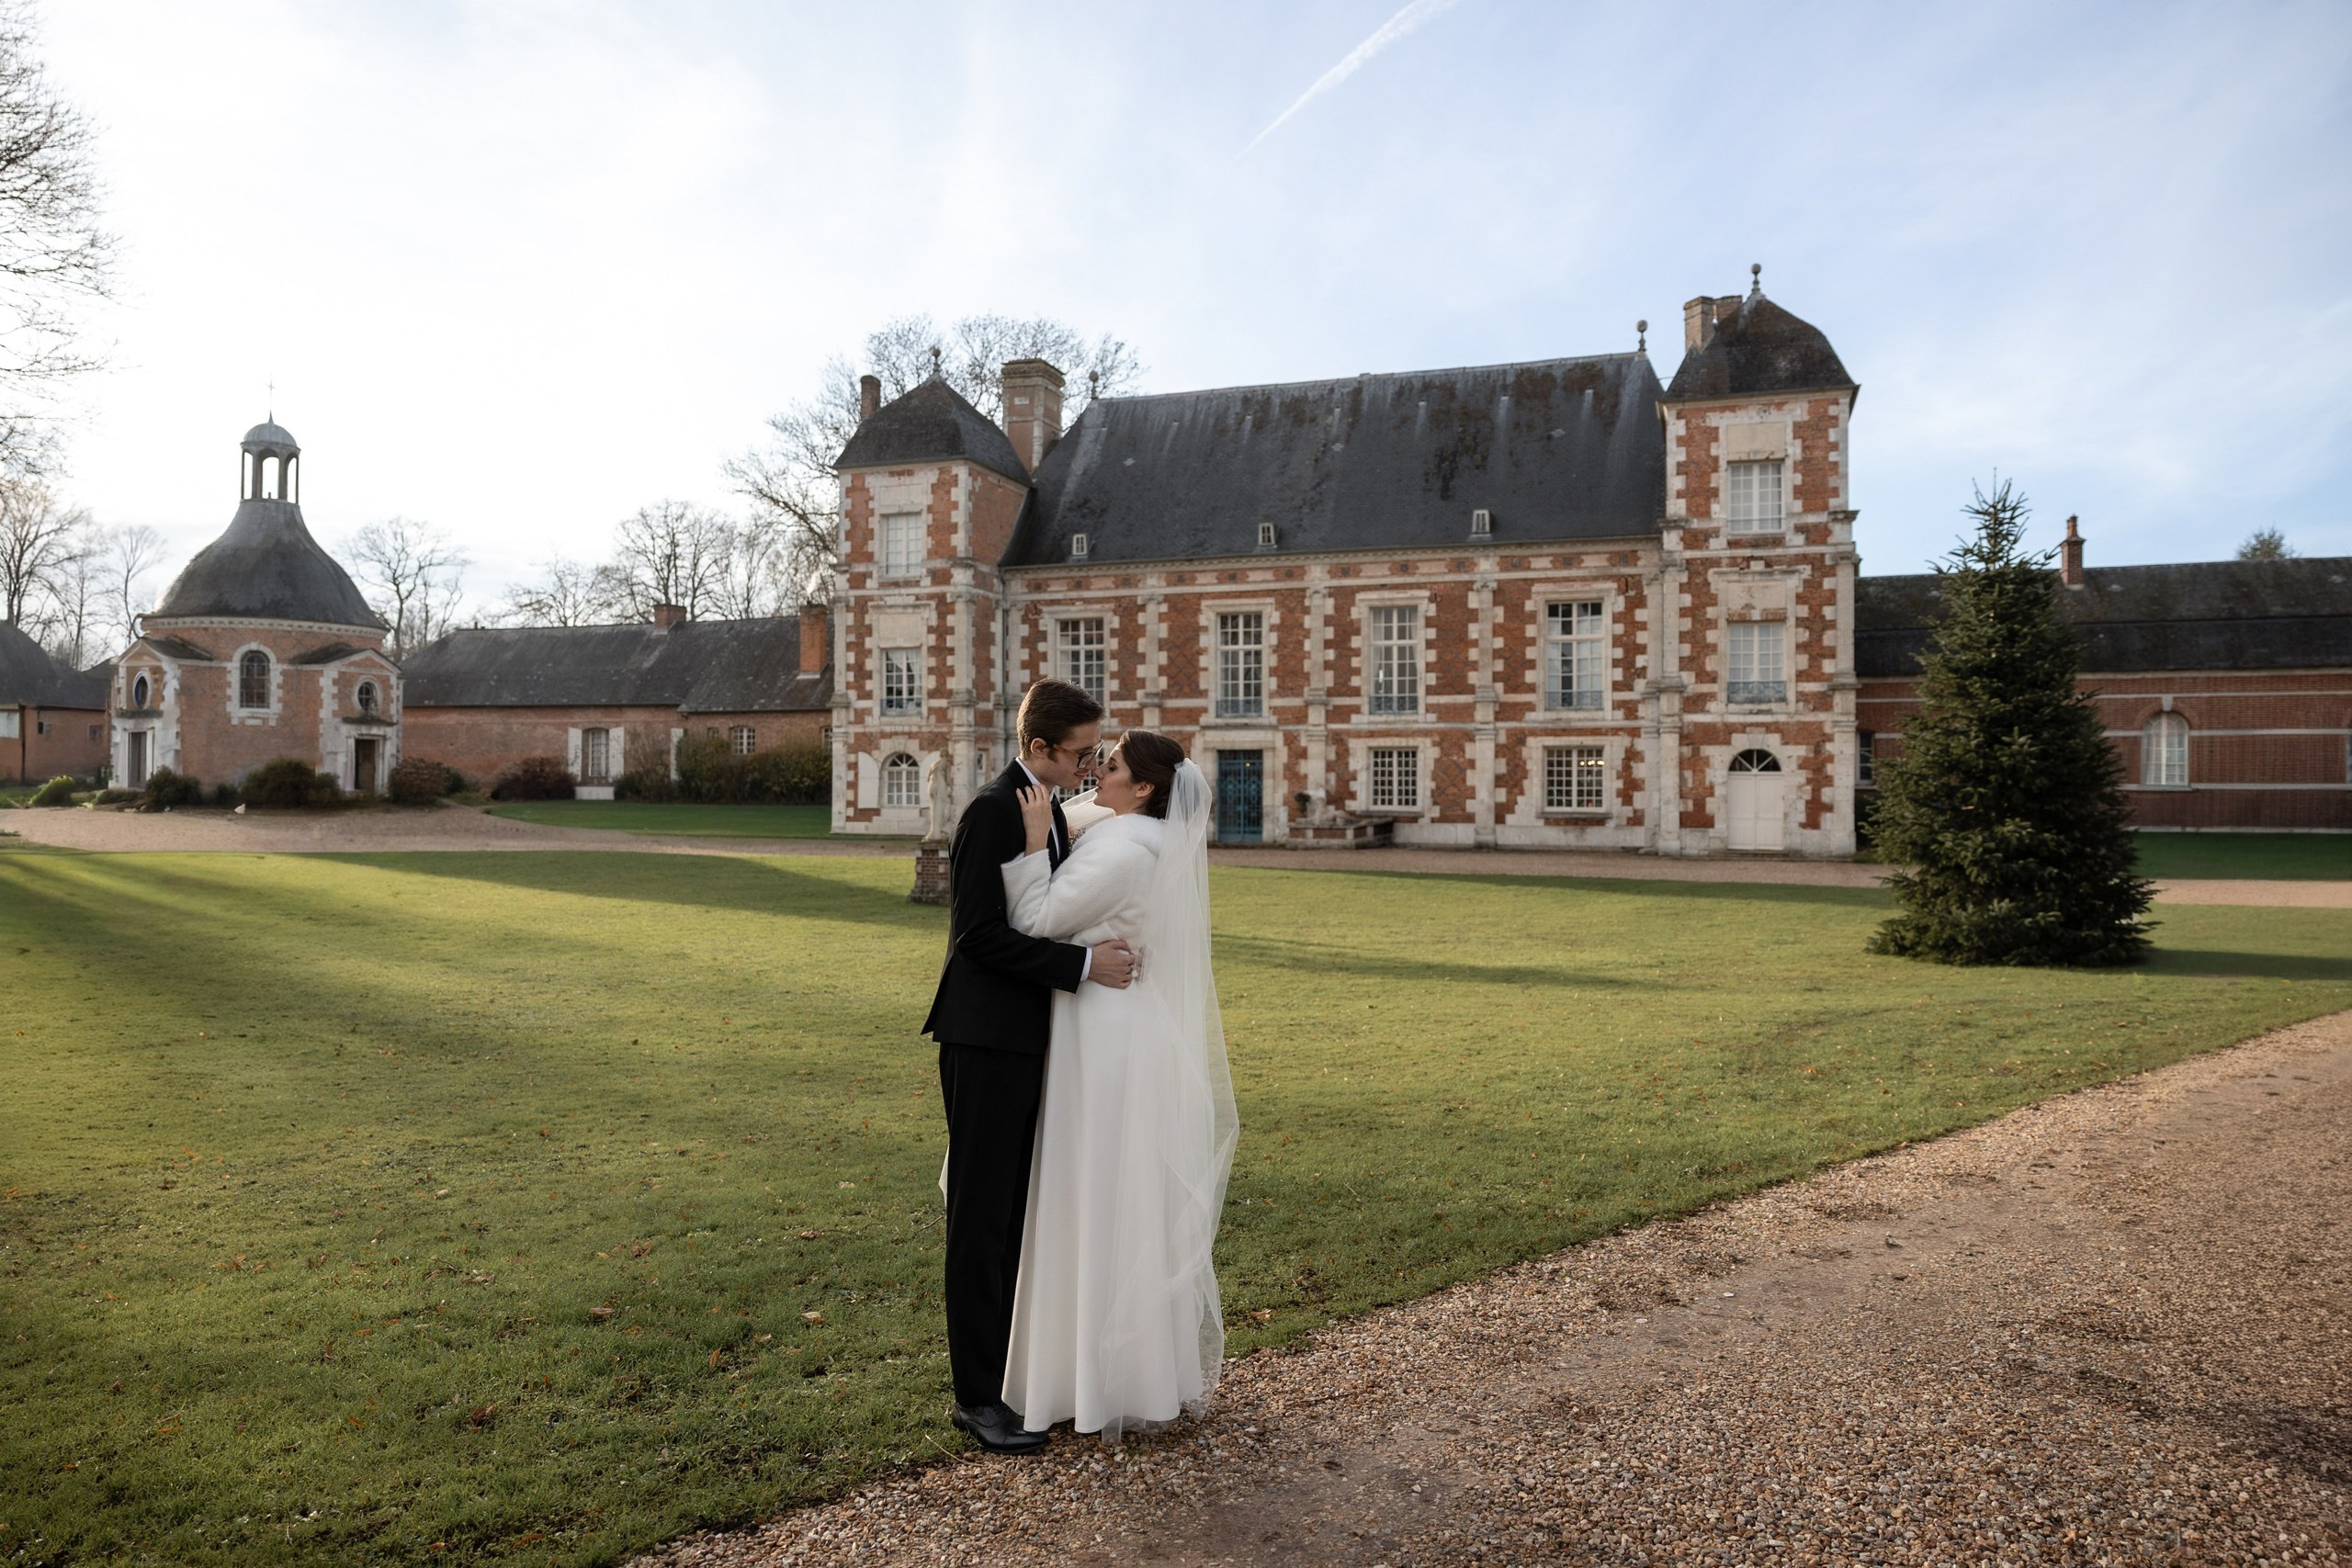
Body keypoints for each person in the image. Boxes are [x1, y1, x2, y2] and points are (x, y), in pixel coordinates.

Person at [999, 730, 1238, 1440]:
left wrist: (1031, 844)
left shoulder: (1122, 849)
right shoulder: (1155, 845)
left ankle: (1083, 1381)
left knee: (1088, 1193)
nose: (1095, 774)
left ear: (1143, 791)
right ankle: (1135, 1374)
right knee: (1121, 1197)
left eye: (1110, 768)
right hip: (1128, 1027)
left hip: (1096, 1034)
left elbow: (1034, 919)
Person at [922, 678, 1138, 1455]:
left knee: (1015, 1212)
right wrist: (1081, 965)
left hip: (1026, 1039)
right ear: (1039, 747)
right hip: (983, 1039)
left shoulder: (1048, 809)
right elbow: (977, 935)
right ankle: (976, 1398)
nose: (1092, 763)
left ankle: (1010, 1377)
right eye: (1082, 752)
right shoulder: (991, 810)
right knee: (980, 1219)